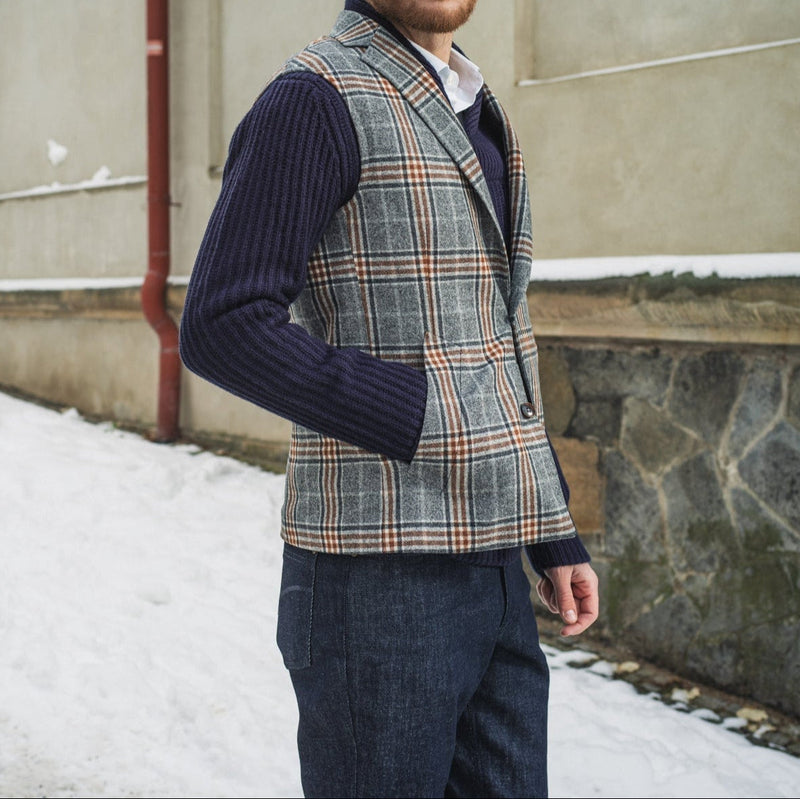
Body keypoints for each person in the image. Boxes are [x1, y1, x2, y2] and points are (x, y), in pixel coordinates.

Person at [179, 1, 599, 795]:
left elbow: (500, 333)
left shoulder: (472, 103)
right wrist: (417, 413)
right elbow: (223, 323)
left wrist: (553, 529)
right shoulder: (314, 97)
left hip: (498, 568)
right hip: (376, 586)